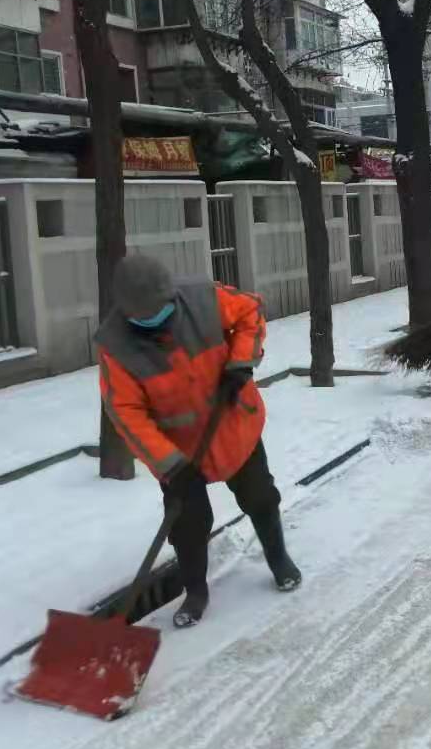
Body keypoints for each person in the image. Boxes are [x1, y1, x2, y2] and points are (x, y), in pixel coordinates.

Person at [97, 253, 301, 628]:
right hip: (180, 451)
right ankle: (195, 592)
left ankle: (278, 558)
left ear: (171, 295)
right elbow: (125, 412)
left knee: (259, 497)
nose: (153, 318)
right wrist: (170, 464)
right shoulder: (116, 347)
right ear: (125, 312)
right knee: (187, 523)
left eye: (159, 309)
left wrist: (240, 363)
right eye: (142, 315)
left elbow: (250, 312)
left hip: (233, 424)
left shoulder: (204, 299)